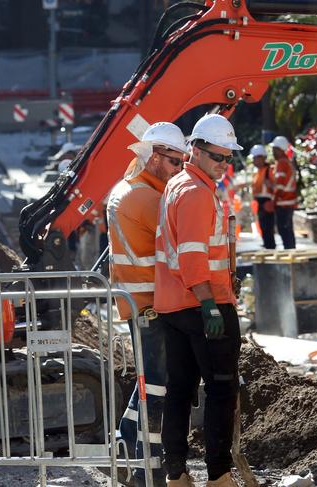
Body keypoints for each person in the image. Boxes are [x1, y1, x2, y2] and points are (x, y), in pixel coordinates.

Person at [153, 114, 242, 487]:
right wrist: (209, 305)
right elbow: (191, 257)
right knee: (221, 389)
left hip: (174, 307)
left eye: (228, 158)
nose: (223, 165)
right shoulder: (194, 193)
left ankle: (176, 474)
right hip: (205, 305)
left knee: (179, 389)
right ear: (195, 150)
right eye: (216, 157)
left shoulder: (178, 184)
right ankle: (219, 475)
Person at [107, 122, 188, 486]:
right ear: (154, 157)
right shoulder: (149, 199)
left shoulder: (127, 188)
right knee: (157, 388)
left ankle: (125, 446)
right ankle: (147, 470)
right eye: (175, 162)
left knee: (148, 385)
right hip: (150, 306)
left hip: (136, 303)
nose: (180, 170)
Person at [269, 135, 297, 249]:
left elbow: (280, 187)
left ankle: (290, 255)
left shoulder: (282, 163)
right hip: (288, 202)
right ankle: (291, 253)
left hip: (283, 203)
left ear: (279, 150)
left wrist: (273, 202)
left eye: (274, 149)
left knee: (284, 231)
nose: (272, 152)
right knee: (288, 231)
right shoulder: (287, 162)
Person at [250, 144, 276, 249]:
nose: (254, 161)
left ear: (262, 158)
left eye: (255, 158)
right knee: (263, 226)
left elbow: (275, 186)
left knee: (268, 227)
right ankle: (267, 244)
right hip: (260, 202)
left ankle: (270, 246)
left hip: (267, 202)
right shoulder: (258, 172)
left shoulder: (269, 170)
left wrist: (270, 185)